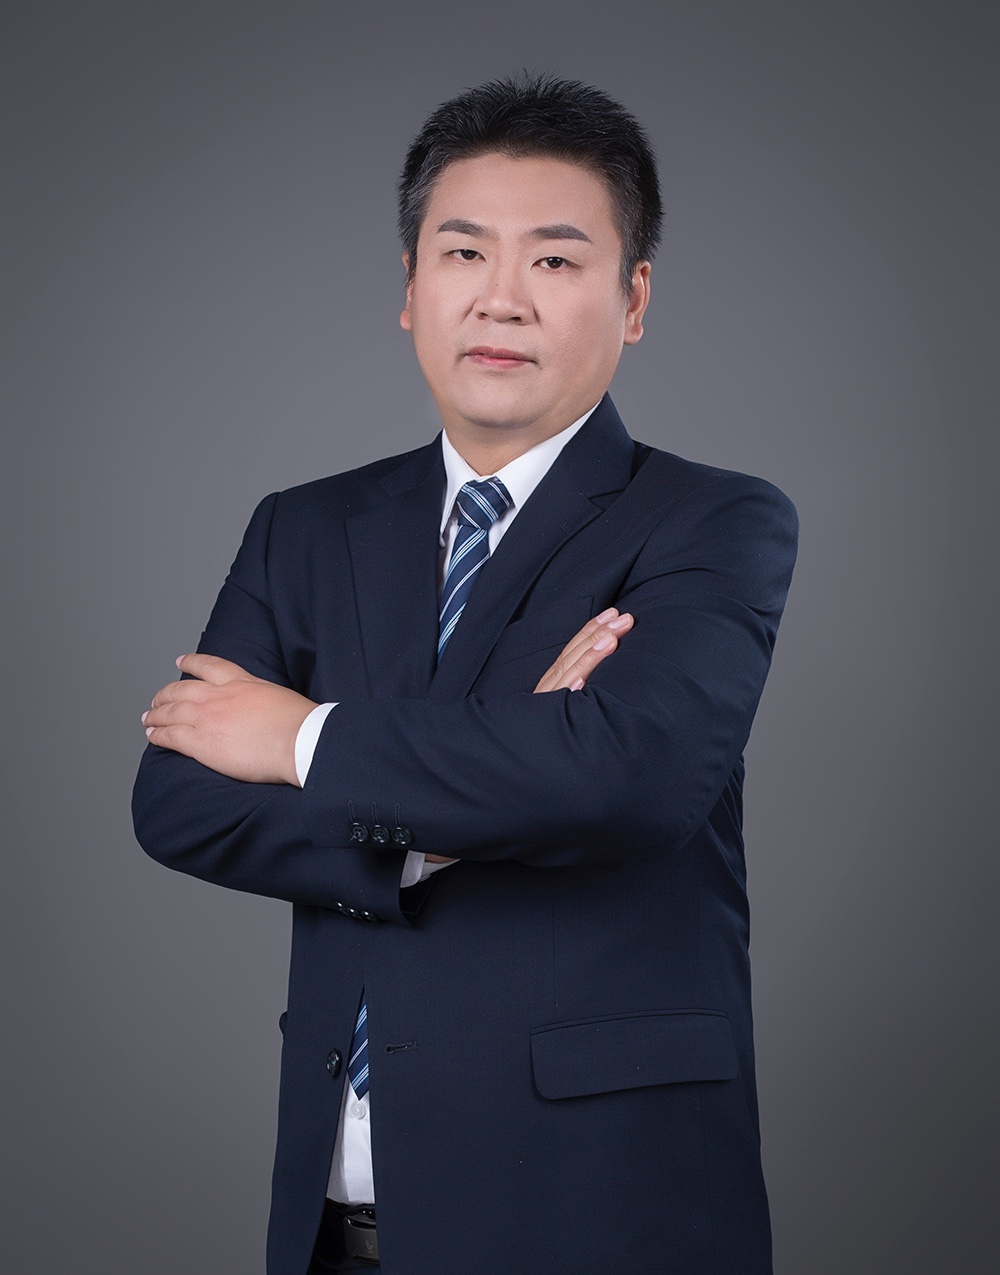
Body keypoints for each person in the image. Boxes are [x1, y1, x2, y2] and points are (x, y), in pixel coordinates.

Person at [133, 73, 797, 1275]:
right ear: (409, 287)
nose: (501, 297)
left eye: (554, 260)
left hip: (598, 1212)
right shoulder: (304, 527)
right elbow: (177, 799)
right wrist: (469, 805)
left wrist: (299, 740)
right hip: (334, 1221)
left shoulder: (711, 520)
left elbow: (629, 779)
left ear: (633, 299)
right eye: (463, 252)